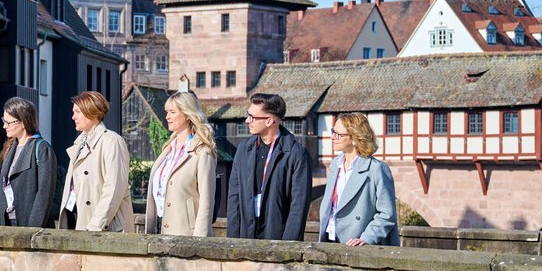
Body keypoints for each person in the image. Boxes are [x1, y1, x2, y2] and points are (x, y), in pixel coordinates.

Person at [226, 92, 312, 240]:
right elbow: (234, 197)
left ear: (269, 121)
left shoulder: (296, 154)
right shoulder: (243, 149)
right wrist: (233, 239)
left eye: (252, 117)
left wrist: (287, 248)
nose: (247, 120)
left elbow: (298, 206)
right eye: (248, 115)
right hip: (246, 236)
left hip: (278, 237)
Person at [57, 90, 134, 232]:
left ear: (92, 112)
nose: (73, 117)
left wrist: (95, 226)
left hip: (104, 229)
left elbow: (113, 189)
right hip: (79, 221)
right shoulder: (78, 144)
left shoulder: (112, 141)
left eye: (78, 112)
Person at [318, 112, 400, 246]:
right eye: (333, 131)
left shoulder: (376, 169)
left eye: (338, 134)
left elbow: (387, 214)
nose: (332, 137)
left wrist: (367, 238)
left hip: (358, 245)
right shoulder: (335, 165)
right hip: (329, 239)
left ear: (355, 139)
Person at [145, 90, 218, 237]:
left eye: (172, 112)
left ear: (187, 114)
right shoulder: (167, 150)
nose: (167, 116)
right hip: (157, 228)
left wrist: (199, 240)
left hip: (185, 232)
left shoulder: (202, 152)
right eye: (167, 112)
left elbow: (207, 201)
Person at [0, 97, 58, 228]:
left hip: (29, 225)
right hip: (7, 223)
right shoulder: (10, 147)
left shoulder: (42, 148)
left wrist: (32, 228)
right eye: (4, 121)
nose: (4, 126)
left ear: (23, 122)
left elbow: (45, 193)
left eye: (8, 122)